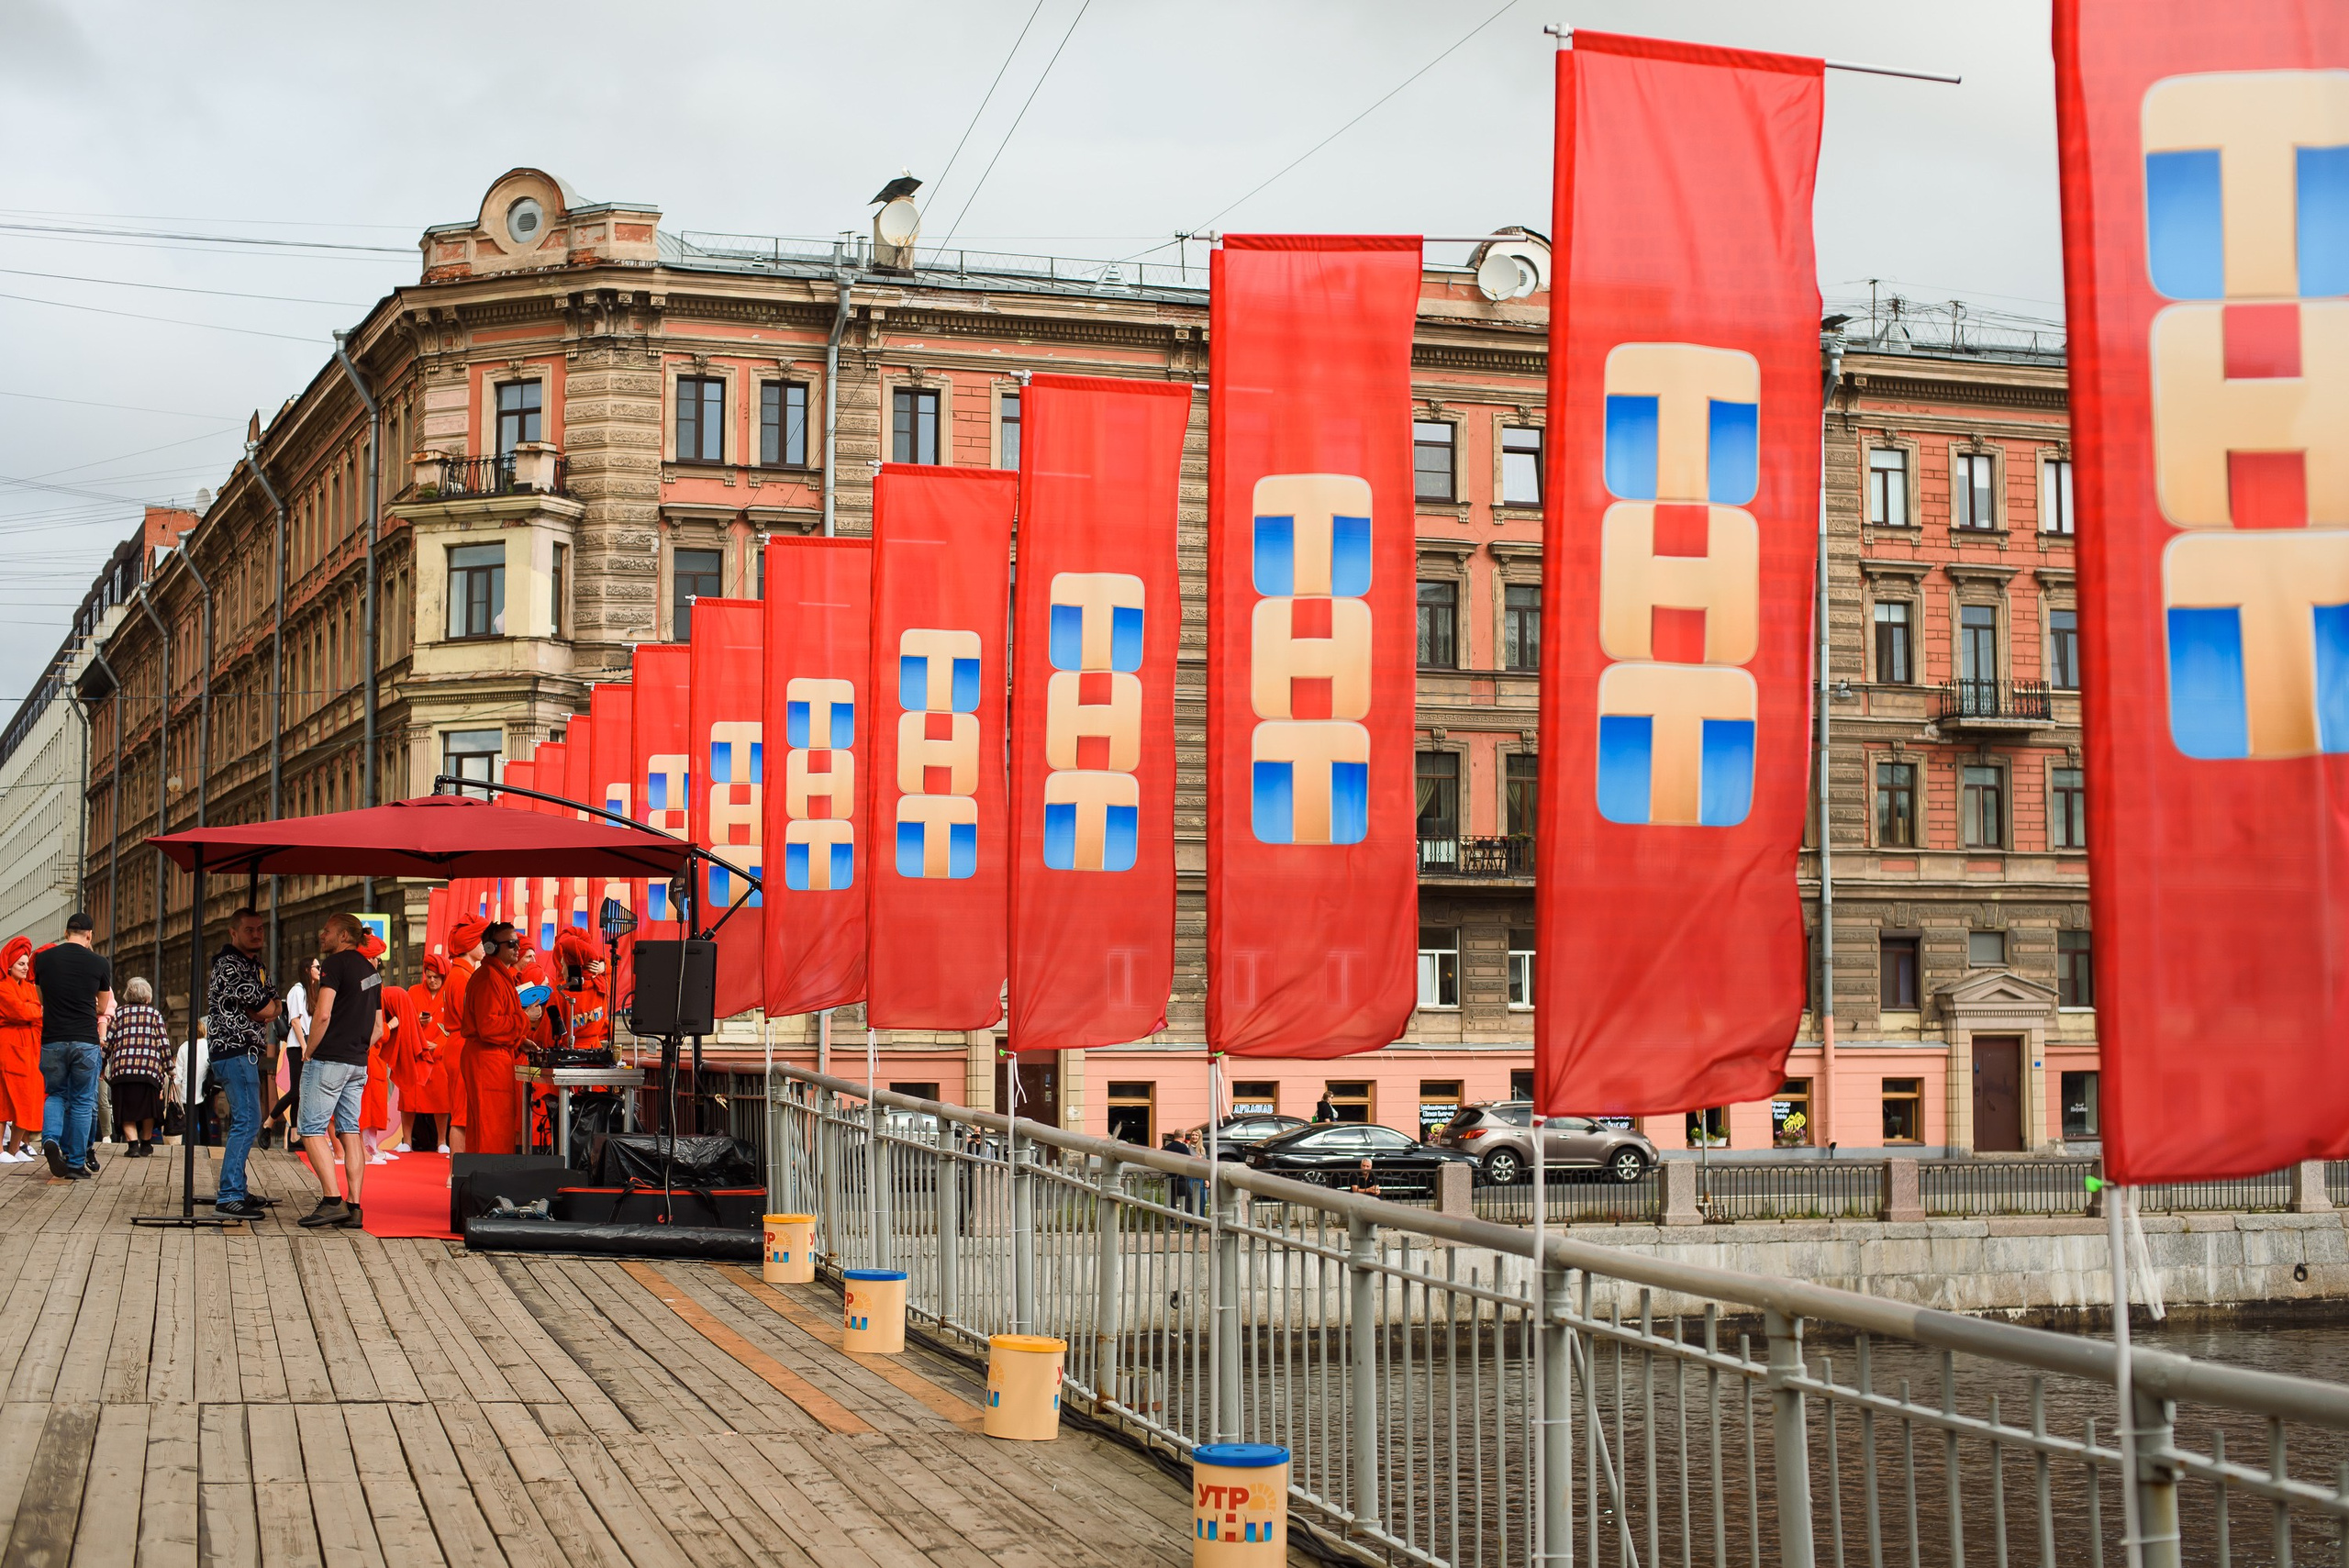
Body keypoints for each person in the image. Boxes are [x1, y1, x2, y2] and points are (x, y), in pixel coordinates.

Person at [296, 912, 384, 1229]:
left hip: (329, 1058)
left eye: (328, 930)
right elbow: (379, 1027)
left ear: (345, 936)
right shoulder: (372, 971)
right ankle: (355, 1207)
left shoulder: (334, 964)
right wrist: (358, 1049)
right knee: (350, 1131)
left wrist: (309, 1050)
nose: (322, 934)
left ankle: (332, 1200)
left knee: (310, 1129)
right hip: (358, 1062)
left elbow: (322, 1014)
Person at [206, 906, 279, 1218]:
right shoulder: (230, 965)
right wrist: (264, 1008)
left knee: (249, 1118)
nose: (257, 934)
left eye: (260, 929)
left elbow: (274, 1005)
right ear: (233, 933)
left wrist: (266, 1007)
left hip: (244, 1051)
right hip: (233, 1049)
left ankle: (237, 1187)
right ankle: (229, 1195)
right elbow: (265, 1008)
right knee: (248, 1120)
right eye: (249, 930)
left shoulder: (255, 964)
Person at [35, 912, 113, 1181]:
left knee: (56, 1093)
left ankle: (51, 1140)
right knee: (82, 1101)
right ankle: (77, 1163)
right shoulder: (99, 963)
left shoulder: (43, 959)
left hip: (53, 1039)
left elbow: (40, 997)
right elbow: (103, 1007)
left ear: (66, 933)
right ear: (89, 935)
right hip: (85, 1041)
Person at [457, 922, 541, 1156]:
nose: (518, 948)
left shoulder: (496, 975)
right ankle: (489, 1184)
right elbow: (489, 1026)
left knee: (492, 1125)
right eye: (512, 944)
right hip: (487, 1060)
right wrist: (524, 1018)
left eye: (518, 943)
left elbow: (495, 1022)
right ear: (492, 947)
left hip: (492, 1057)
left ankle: (487, 1182)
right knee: (491, 1128)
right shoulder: (489, 978)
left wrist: (518, 1040)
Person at [103, 978, 171, 1156]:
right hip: (148, 1072)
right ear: (147, 997)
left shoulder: (119, 1014)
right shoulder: (155, 1015)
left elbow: (108, 1043)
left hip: (122, 1071)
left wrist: (102, 1065)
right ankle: (146, 1143)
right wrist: (169, 1067)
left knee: (125, 1108)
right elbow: (163, 1044)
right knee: (148, 1107)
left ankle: (133, 1145)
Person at [439, 920, 486, 1153]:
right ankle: (455, 1172)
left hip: (458, 1044)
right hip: (461, 1046)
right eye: (479, 940)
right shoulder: (461, 976)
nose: (484, 946)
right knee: (460, 1116)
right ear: (469, 945)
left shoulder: (460, 973)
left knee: (463, 1113)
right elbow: (473, 1017)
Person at [395, 956, 452, 1152]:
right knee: (408, 1098)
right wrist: (417, 1021)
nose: (432, 980)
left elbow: (456, 1027)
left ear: (443, 976)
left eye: (436, 977)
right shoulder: (413, 992)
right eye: (428, 976)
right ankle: (407, 1141)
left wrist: (439, 1045)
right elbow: (403, 1020)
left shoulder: (450, 993)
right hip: (416, 1052)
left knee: (441, 1099)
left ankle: (442, 1141)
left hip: (439, 1055)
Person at [265, 956, 318, 1149]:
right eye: (316, 967)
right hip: (297, 1047)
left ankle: (295, 1136)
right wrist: (305, 1046)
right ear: (307, 970)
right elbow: (295, 1021)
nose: (320, 970)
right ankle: (269, 1122)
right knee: (296, 1091)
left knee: (300, 1092)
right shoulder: (297, 991)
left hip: (305, 1046)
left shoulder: (309, 991)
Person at [0, 937, 41, 1162]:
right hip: (7, 1047)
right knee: (4, 1098)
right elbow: (21, 1012)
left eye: (26, 964)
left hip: (29, 1047)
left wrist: (31, 1011)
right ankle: (0, 1150)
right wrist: (33, 1010)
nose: (26, 968)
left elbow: (33, 1014)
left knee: (27, 1098)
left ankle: (15, 1148)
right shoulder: (3, 987)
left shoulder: (28, 988)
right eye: (20, 964)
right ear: (9, 965)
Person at [362, 984, 402, 1164]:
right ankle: (364, 1149)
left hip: (377, 1057)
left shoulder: (374, 989)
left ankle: (371, 1146)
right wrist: (391, 1025)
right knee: (366, 1105)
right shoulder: (368, 993)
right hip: (369, 1055)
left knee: (376, 1103)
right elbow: (375, 1030)